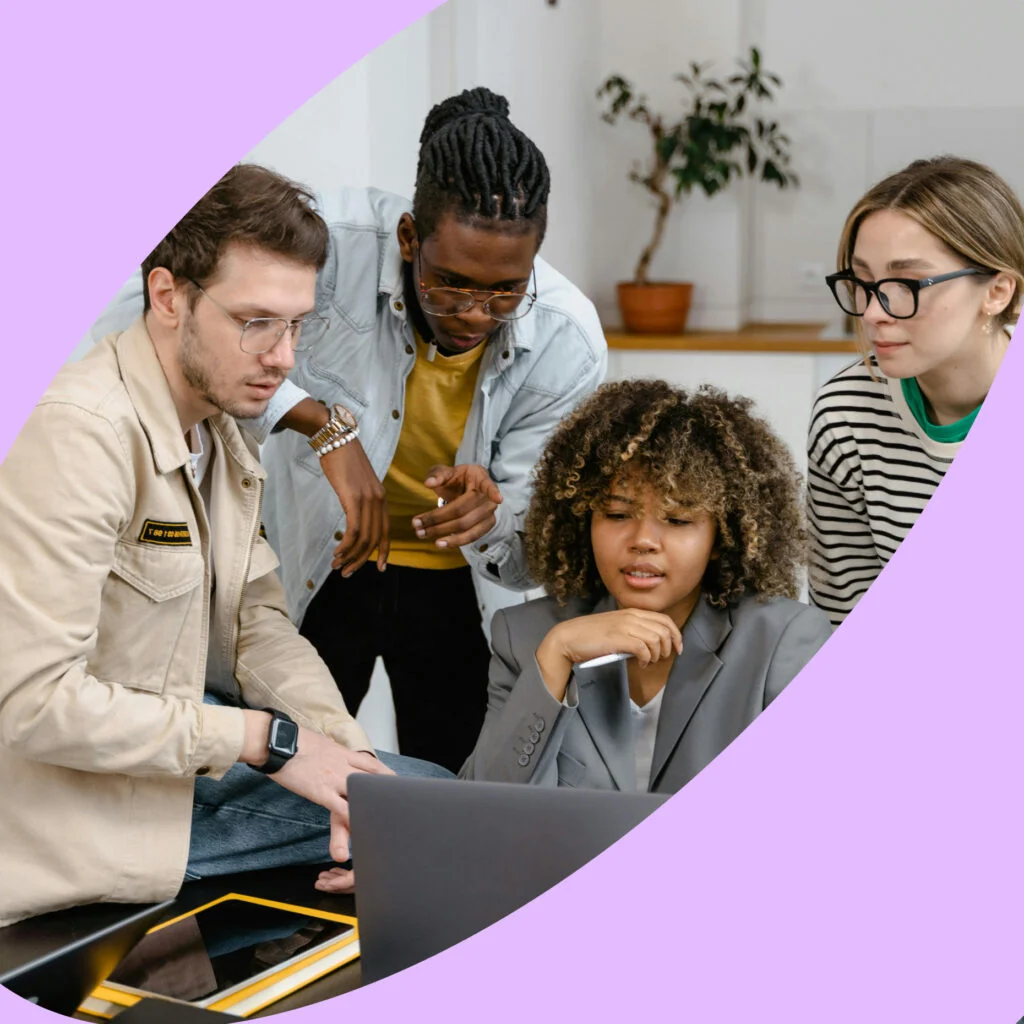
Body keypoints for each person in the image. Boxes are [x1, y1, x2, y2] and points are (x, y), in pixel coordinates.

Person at [90, 87, 608, 775]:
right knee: (282, 777)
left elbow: (527, 558)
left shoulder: (566, 343)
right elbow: (136, 316)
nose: (477, 314)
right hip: (318, 561)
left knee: (455, 794)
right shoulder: (325, 242)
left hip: (458, 592)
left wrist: (495, 516)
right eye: (450, 283)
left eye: (506, 290)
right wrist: (318, 423)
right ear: (407, 238)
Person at [0, 165, 450, 928]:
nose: (282, 358)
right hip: (83, 814)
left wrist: (349, 760)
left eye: (297, 325)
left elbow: (253, 624)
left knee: (408, 799)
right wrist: (264, 741)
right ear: (168, 296)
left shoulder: (217, 427)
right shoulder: (82, 431)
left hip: (175, 767)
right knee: (440, 821)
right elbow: (30, 701)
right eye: (255, 322)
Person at [459, 380, 832, 794]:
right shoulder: (525, 636)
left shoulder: (781, 642)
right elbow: (482, 808)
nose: (643, 540)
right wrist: (556, 654)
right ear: (585, 519)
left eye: (677, 520)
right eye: (618, 514)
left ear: (721, 538)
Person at [808, 156, 1024, 627]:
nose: (872, 313)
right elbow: (840, 621)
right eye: (863, 283)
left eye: (904, 284)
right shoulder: (845, 412)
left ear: (997, 292)